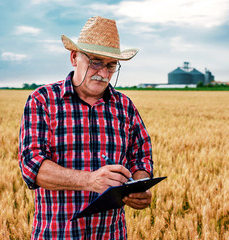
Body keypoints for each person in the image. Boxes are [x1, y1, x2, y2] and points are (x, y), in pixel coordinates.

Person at [18, 16, 153, 239]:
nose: (103, 73)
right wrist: (90, 181)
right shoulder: (42, 100)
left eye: (111, 65)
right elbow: (32, 167)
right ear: (74, 58)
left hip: (112, 234)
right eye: (96, 62)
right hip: (57, 234)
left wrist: (139, 187)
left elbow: (141, 158)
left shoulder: (125, 107)